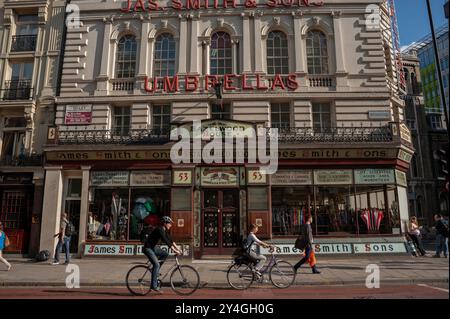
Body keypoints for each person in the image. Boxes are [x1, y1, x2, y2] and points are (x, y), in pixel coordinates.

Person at [143, 216, 182, 293]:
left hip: (153, 247)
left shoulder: (164, 230)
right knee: (156, 265)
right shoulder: (159, 229)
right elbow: (166, 241)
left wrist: (178, 248)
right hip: (148, 248)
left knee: (165, 254)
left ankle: (156, 272)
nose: (170, 225)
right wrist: (175, 250)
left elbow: (170, 240)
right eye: (169, 223)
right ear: (165, 223)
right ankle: (154, 286)